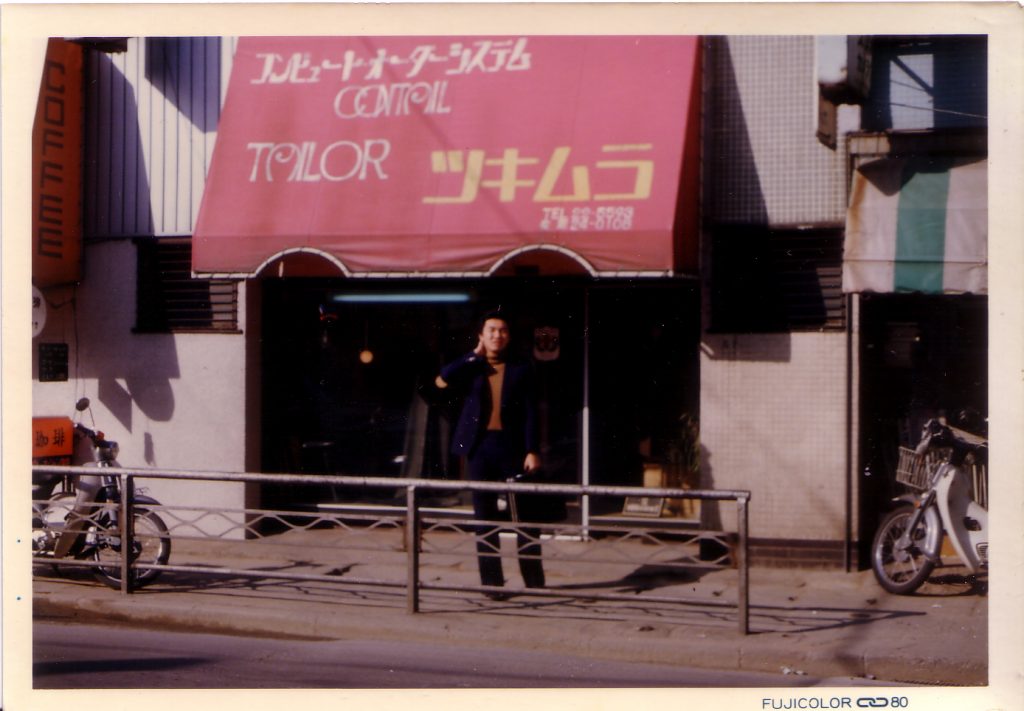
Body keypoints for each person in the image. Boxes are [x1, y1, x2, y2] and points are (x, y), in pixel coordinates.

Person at [435, 310, 545, 598]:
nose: (498, 335)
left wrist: (533, 449)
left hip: (513, 449)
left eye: (503, 330)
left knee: (525, 518)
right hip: (479, 448)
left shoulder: (522, 367)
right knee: (484, 520)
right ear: (481, 335)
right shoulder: (472, 365)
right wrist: (472, 356)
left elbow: (532, 412)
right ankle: (492, 585)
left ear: (509, 336)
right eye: (492, 330)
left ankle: (535, 583)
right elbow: (442, 379)